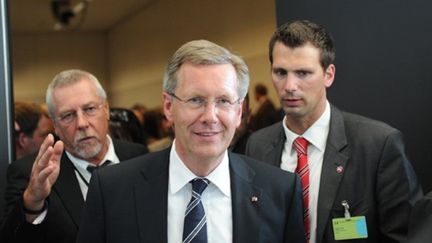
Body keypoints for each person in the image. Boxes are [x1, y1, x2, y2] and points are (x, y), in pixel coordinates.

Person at [76, 40, 305, 243]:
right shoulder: (112, 190)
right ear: (168, 106)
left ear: (238, 112)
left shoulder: (280, 192)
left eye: (224, 101)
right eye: (196, 100)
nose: (209, 117)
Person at [245, 20, 422, 243]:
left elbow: (407, 236)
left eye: (303, 73)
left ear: (329, 75)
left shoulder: (378, 145)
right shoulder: (257, 145)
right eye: (280, 72)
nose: (289, 85)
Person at [0, 69, 148, 243]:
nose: (82, 124)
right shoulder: (31, 174)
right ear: (54, 125)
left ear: (106, 109)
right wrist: (33, 202)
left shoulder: (139, 156)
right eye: (68, 116)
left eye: (90, 109)